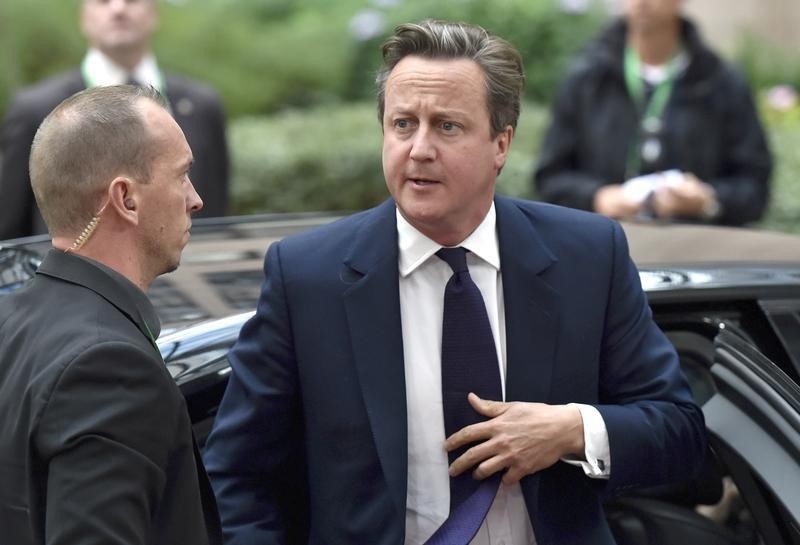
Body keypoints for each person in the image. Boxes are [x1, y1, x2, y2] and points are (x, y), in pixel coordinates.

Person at [203, 19, 706, 545]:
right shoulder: (308, 276)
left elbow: (677, 430)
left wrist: (571, 431)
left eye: (446, 126)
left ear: (501, 144)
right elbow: (237, 474)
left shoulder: (587, 256)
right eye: (403, 124)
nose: (419, 149)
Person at [0, 85, 221, 545]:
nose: (196, 199)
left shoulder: (10, 317)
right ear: (127, 198)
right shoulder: (111, 366)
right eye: (181, 176)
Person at [0, 0, 228, 240]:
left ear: (154, 12)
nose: (118, 8)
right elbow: (9, 228)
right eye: (103, 1)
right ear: (84, 17)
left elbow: (215, 213)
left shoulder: (203, 106)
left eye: (132, 0)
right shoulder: (36, 109)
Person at [533, 0, 773, 226]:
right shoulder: (587, 77)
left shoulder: (721, 82)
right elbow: (550, 177)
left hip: (696, 252)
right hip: (602, 248)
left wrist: (708, 199)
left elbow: (755, 188)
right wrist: (597, 197)